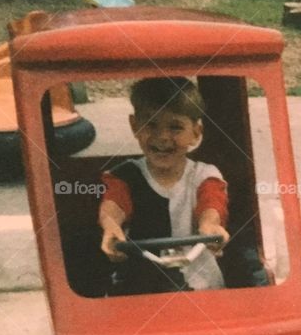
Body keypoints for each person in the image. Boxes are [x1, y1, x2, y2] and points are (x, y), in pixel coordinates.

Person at [98, 77, 230, 293]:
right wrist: (111, 227)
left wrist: (210, 226)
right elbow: (113, 203)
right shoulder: (123, 175)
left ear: (196, 133)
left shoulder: (205, 175)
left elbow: (212, 203)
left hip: (200, 285)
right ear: (134, 126)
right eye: (151, 125)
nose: (162, 137)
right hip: (140, 286)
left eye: (175, 127)